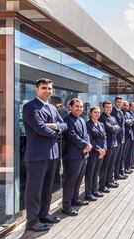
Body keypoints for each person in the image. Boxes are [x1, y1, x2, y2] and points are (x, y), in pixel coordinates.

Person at [22, 78, 67, 231]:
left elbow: (64, 124)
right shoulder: (30, 107)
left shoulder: (53, 108)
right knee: (34, 189)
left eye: (49, 88)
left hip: (52, 154)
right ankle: (32, 221)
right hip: (37, 155)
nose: (47, 91)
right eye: (44, 88)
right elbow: (40, 129)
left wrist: (54, 126)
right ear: (37, 89)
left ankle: (44, 214)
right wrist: (56, 130)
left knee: (48, 187)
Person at [62, 98, 91, 216]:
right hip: (73, 156)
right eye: (77, 106)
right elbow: (72, 136)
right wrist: (85, 144)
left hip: (83, 154)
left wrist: (87, 144)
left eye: (81, 107)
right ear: (70, 107)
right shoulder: (67, 120)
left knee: (79, 179)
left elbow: (86, 135)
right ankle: (67, 206)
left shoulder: (82, 120)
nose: (79, 109)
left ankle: (75, 198)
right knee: (70, 180)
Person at [85, 107, 108, 200]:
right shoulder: (87, 125)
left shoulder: (101, 124)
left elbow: (105, 137)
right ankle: (88, 193)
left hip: (101, 152)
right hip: (93, 152)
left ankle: (95, 190)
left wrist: (104, 149)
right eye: (95, 112)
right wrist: (99, 149)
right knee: (90, 173)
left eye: (98, 113)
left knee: (96, 172)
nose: (97, 114)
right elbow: (90, 139)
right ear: (90, 113)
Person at [99, 100, 121, 190]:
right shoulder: (102, 118)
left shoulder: (112, 117)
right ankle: (103, 185)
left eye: (110, 107)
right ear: (103, 108)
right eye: (107, 107)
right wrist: (114, 127)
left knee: (112, 164)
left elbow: (118, 127)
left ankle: (110, 181)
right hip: (107, 145)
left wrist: (114, 127)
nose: (109, 109)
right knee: (105, 166)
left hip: (114, 143)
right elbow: (110, 128)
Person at [111, 97, 128, 180]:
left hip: (122, 138)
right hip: (116, 139)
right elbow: (115, 125)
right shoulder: (113, 112)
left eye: (121, 102)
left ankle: (118, 173)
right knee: (114, 159)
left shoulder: (121, 112)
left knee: (120, 157)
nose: (119, 103)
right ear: (115, 102)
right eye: (118, 102)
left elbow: (122, 126)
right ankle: (113, 175)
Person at [122, 100, 134, 174]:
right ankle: (123, 169)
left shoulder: (128, 113)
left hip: (130, 135)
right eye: (125, 105)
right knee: (123, 155)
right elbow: (126, 122)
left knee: (127, 153)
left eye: (127, 105)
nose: (126, 107)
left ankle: (127, 167)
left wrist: (129, 121)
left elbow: (132, 121)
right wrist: (129, 121)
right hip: (125, 136)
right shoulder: (121, 113)